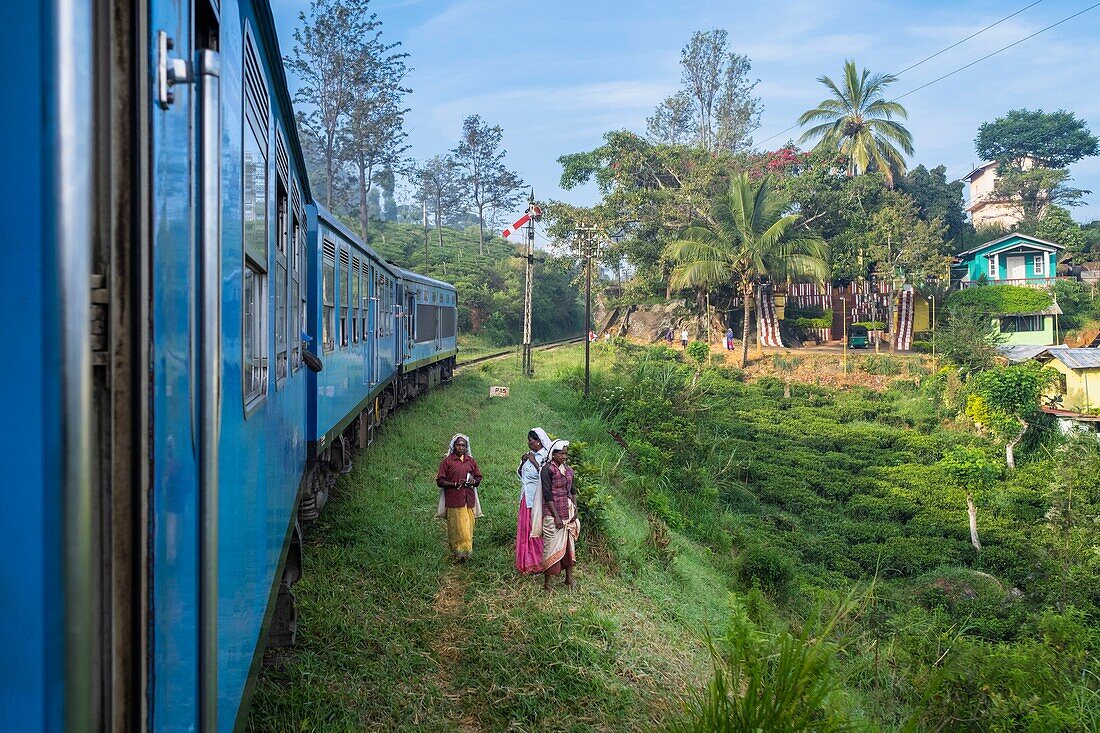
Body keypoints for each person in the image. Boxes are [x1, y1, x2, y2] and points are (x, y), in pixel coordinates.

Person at [539, 440, 580, 591]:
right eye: (561, 453)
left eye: (565, 453)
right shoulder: (547, 470)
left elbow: (573, 490)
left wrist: (575, 508)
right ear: (553, 454)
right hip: (552, 513)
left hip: (567, 512)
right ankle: (547, 583)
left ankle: (569, 579)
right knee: (550, 546)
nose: (564, 456)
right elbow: (547, 494)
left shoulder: (569, 470)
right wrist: (555, 516)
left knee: (569, 545)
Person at [435, 434, 483, 561]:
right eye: (458, 445)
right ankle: (459, 553)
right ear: (453, 446)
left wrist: (473, 481)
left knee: (468, 527)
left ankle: (466, 553)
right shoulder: (447, 462)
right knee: (457, 528)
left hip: (469, 499)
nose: (460, 447)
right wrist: (455, 484)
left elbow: (478, 478)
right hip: (454, 500)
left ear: (466, 447)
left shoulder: (471, 461)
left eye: (463, 445)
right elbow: (440, 481)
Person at [515, 427, 550, 575]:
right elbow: (521, 474)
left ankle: (538, 563)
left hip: (537, 498)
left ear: (539, 441)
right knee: (526, 529)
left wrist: (534, 461)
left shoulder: (545, 457)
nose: (528, 443)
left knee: (535, 529)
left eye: (531, 440)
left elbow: (545, 475)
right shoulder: (530, 455)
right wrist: (523, 462)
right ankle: (526, 561)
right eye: (528, 440)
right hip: (526, 497)